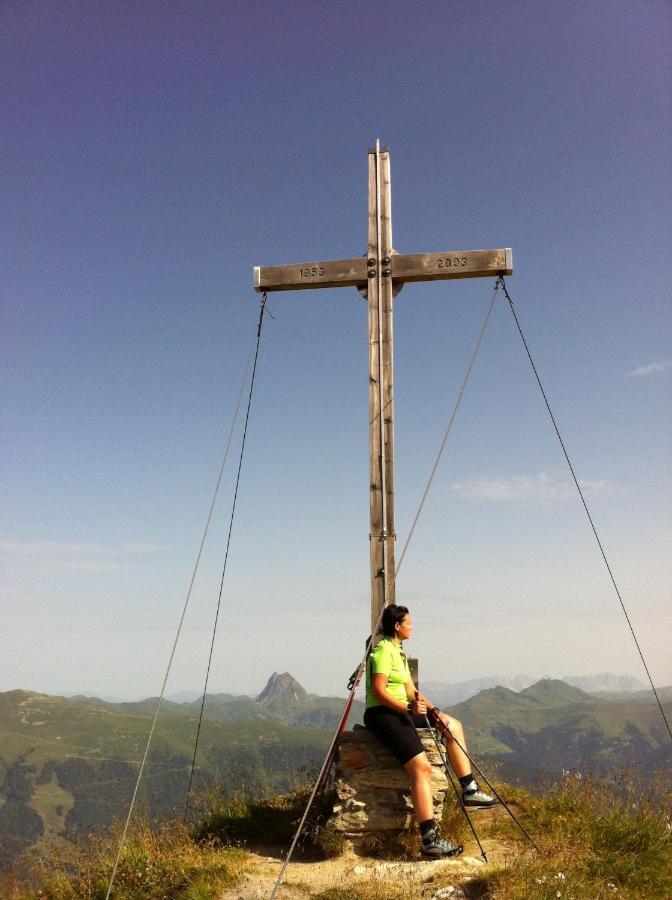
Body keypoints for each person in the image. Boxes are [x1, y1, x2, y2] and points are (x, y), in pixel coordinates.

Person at [364, 604, 498, 858]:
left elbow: (411, 691)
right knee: (421, 767)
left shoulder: (398, 652)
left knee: (452, 725)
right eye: (408, 622)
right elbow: (380, 691)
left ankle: (469, 790)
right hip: (382, 715)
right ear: (397, 626)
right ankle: (430, 840)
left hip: (402, 710)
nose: (412, 626)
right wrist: (407, 707)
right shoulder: (383, 650)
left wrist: (434, 710)